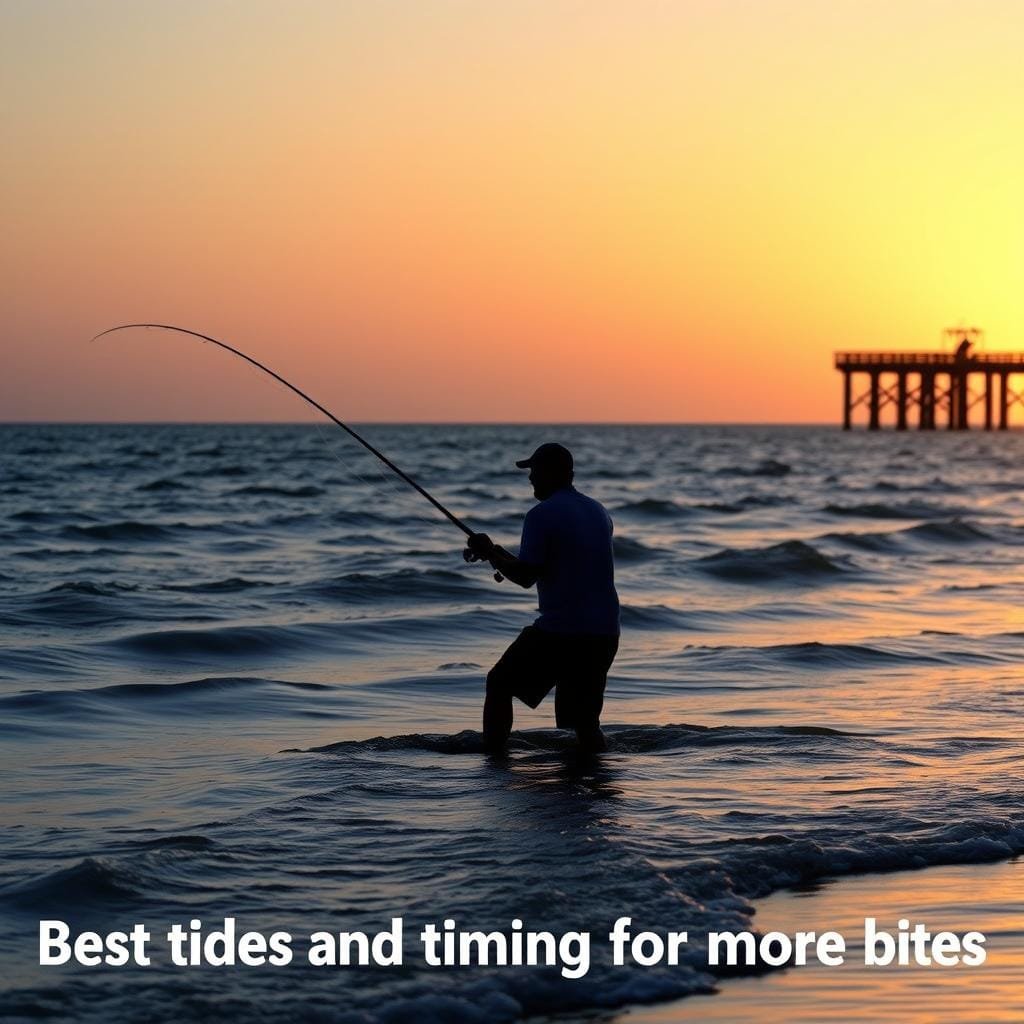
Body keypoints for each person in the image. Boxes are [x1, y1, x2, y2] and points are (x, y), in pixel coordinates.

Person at [463, 442, 620, 753]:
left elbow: (525, 576)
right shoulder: (597, 510)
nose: (530, 478)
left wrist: (490, 553)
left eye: (534, 470)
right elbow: (544, 566)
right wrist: (493, 551)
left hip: (564, 631)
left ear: (551, 473)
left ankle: (494, 764)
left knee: (499, 683)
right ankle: (596, 776)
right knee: (585, 722)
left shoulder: (541, 515)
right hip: (604, 631)